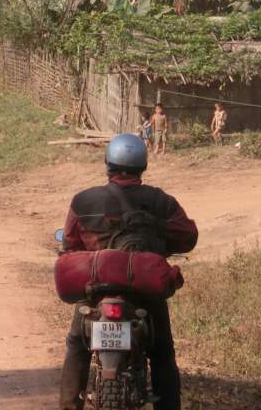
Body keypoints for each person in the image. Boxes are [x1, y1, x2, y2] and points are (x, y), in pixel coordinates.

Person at [59, 133, 198, 410]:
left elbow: (70, 243)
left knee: (77, 345)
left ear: (108, 164)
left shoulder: (84, 201)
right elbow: (188, 236)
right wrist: (160, 241)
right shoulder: (161, 202)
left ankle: (68, 406)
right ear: (143, 166)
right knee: (161, 353)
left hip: (97, 289)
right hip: (144, 289)